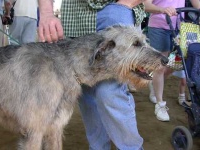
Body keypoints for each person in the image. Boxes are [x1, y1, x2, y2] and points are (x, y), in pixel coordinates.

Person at [38, 0, 146, 149]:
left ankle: (132, 148)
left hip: (114, 11)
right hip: (75, 17)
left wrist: (126, 3)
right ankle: (98, 147)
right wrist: (46, 12)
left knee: (109, 93)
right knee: (86, 94)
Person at [144, 0, 200, 121]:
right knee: (160, 66)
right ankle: (160, 104)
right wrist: (162, 9)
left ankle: (155, 84)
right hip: (159, 26)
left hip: (180, 27)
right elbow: (145, 5)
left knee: (176, 64)